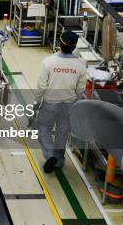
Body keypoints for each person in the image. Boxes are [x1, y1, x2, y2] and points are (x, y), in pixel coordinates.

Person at [34, 31, 87, 173]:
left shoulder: (48, 62)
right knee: (62, 132)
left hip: (50, 103)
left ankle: (50, 154)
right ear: (74, 47)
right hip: (69, 104)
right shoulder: (81, 64)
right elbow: (80, 89)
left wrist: (36, 103)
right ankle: (58, 160)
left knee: (43, 128)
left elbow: (41, 86)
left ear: (59, 43)